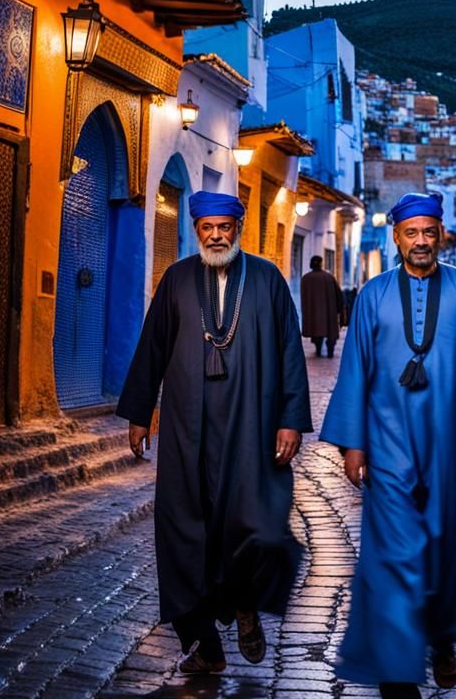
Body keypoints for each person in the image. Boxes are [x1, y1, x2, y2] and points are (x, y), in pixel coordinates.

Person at [320, 191, 456, 699]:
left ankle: (440, 637)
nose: (421, 241)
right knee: (391, 565)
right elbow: (356, 369)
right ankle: (401, 693)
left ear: (441, 234)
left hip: (454, 448)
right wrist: (352, 443)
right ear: (397, 238)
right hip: (388, 452)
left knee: (445, 553)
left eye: (429, 231)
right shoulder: (371, 295)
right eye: (411, 233)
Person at [117, 191, 311, 674]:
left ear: (238, 228)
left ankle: (245, 606)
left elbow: (290, 351)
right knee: (184, 531)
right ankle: (204, 643)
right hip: (187, 431)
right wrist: (140, 413)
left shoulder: (266, 278)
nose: (217, 235)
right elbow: (152, 347)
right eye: (208, 227)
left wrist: (290, 420)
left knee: (254, 525)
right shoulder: (177, 279)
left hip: (253, 426)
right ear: (196, 229)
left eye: (225, 226)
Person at [300, 255, 343, 357]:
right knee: (331, 332)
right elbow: (339, 294)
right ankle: (330, 352)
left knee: (316, 332)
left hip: (314, 313)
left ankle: (318, 350)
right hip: (329, 312)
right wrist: (340, 309)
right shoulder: (329, 278)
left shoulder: (306, 279)